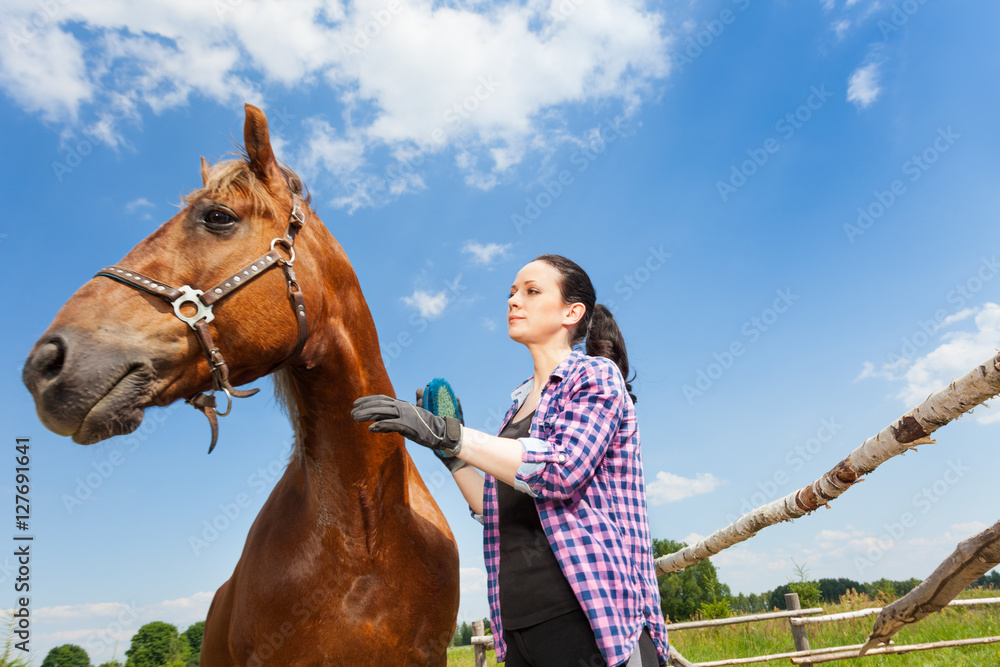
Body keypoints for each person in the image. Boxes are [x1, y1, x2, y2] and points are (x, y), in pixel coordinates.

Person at [351, 254, 669, 666]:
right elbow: (496, 507)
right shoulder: (517, 405)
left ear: (572, 312)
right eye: (512, 292)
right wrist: (452, 457)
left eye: (531, 291)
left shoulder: (595, 377)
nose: (513, 301)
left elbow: (562, 469)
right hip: (518, 624)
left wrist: (454, 434)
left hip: (589, 618)